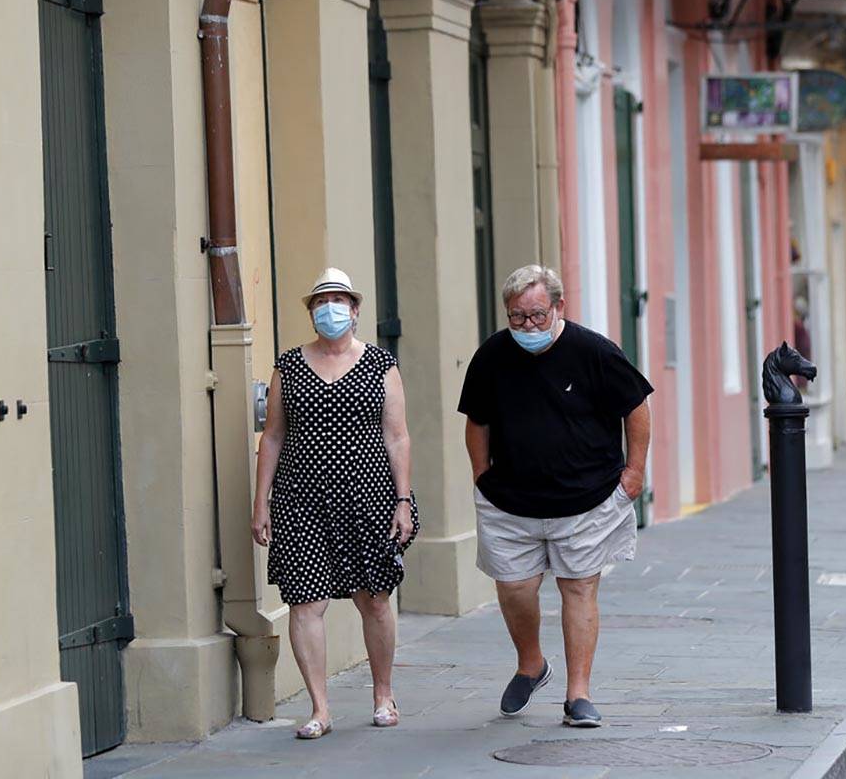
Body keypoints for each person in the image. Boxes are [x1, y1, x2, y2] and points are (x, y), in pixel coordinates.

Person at [458, 265, 653, 728]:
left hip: (586, 498)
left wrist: (635, 473)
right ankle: (532, 665)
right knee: (515, 588)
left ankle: (578, 694)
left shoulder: (594, 352)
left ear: (559, 307)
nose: (527, 326)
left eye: (537, 315)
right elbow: (476, 422)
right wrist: (480, 475)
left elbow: (636, 408)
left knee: (579, 587)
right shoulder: (491, 356)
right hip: (510, 501)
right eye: (517, 317)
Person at [251, 267, 418, 738]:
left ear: (356, 309)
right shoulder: (289, 365)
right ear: (310, 311)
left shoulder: (380, 364)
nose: (331, 308)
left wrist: (402, 500)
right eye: (322, 300)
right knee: (306, 601)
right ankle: (320, 708)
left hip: (369, 496)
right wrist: (260, 502)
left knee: (375, 597)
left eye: (340, 300)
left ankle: (383, 694)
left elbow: (398, 436)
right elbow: (274, 436)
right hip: (301, 497)